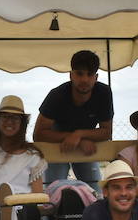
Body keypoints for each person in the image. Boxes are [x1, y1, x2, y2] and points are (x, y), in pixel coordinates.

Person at [34, 49, 113, 191]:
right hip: (58, 144)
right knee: (54, 191)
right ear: (71, 75)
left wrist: (78, 135)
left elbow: (107, 132)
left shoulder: (104, 93)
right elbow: (38, 134)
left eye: (89, 74)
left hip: (84, 142)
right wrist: (76, 138)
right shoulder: (56, 95)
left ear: (96, 77)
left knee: (95, 192)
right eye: (80, 73)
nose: (84, 79)